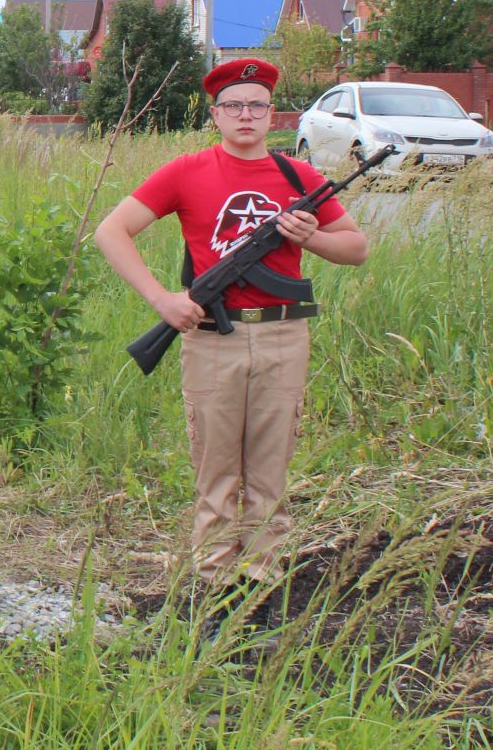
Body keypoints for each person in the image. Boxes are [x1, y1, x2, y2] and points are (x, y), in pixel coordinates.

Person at [93, 58, 369, 600]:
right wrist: (162, 299)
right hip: (213, 339)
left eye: (258, 105)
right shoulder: (186, 171)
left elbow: (355, 249)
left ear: (273, 115)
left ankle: (262, 588)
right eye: (234, 106)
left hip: (283, 336)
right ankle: (214, 588)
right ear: (215, 114)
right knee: (217, 475)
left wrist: (308, 236)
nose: (246, 115)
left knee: (270, 475)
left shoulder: (299, 177)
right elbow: (112, 231)